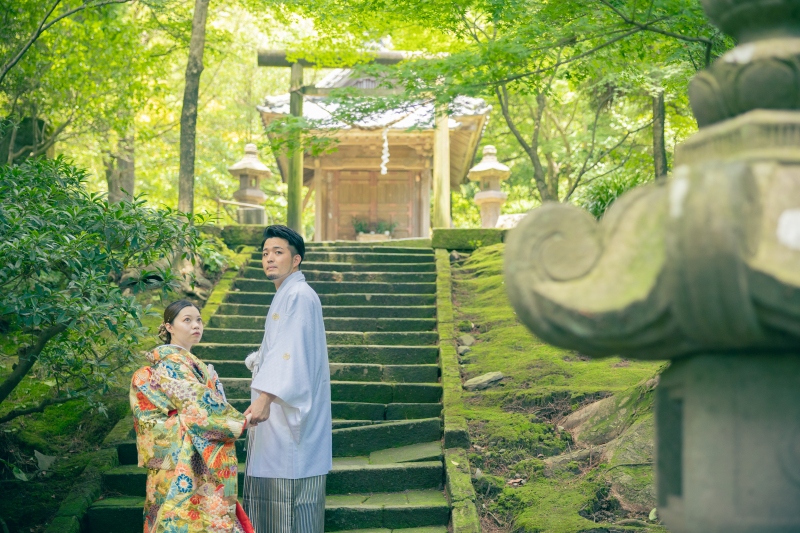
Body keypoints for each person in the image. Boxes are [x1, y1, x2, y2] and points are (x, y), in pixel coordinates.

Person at [130, 299, 253, 533]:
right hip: (181, 457)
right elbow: (197, 407)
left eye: (198, 320)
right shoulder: (172, 363)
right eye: (187, 320)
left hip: (180, 451)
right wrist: (240, 421)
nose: (196, 325)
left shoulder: (185, 362)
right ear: (169, 327)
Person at [242, 225, 332, 533]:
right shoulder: (288, 294)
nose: (269, 258)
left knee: (291, 506)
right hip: (282, 413)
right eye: (265, 253)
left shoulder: (299, 295)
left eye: (278, 252)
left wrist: (265, 397)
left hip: (287, 413)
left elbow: (290, 352)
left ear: (296, 260)